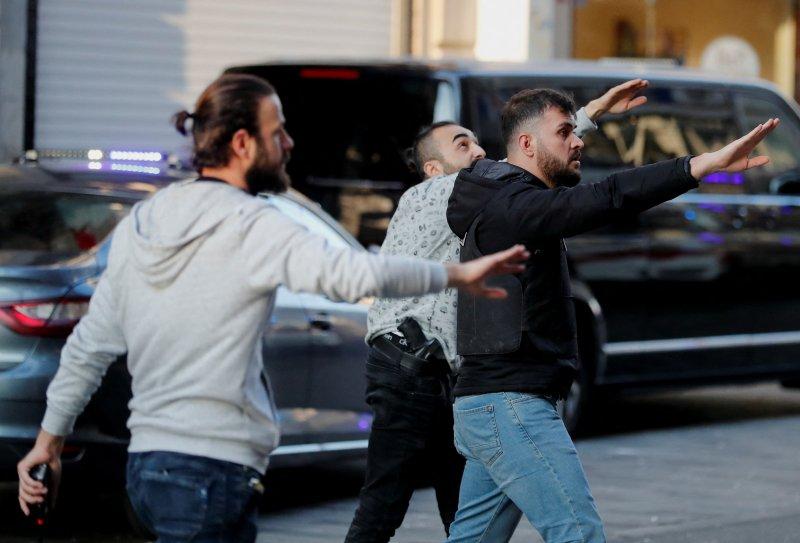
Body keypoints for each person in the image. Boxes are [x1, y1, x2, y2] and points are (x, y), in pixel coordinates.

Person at [16, 73, 529, 543]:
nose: (289, 144)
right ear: (243, 144)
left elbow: (90, 345)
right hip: (213, 471)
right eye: (278, 132)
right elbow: (351, 274)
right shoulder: (250, 223)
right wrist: (457, 273)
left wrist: (47, 442)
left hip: (149, 468)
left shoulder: (144, 221)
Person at [444, 87, 778, 543]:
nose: (577, 141)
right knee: (579, 534)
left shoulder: (500, 190)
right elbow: (610, 195)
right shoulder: (517, 209)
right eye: (565, 133)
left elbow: (545, 153)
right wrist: (700, 164)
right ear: (526, 145)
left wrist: (589, 113)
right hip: (512, 406)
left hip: (492, 406)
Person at [346, 79, 653, 542]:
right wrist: (585, 117)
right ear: (433, 168)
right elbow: (519, 163)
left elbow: (523, 161)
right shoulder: (434, 195)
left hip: (459, 375)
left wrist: (579, 120)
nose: (478, 152)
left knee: (466, 516)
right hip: (405, 370)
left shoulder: (483, 191)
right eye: (461, 143)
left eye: (476, 140)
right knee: (384, 503)